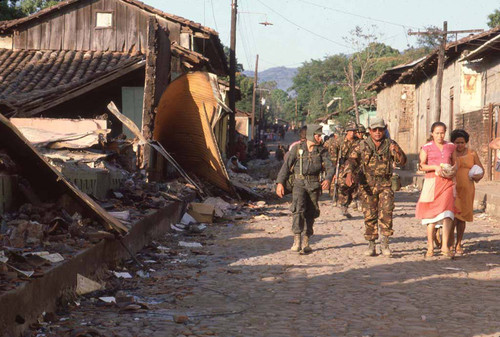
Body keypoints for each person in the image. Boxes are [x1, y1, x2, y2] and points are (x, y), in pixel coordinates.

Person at [345, 117, 407, 256]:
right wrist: (349, 173)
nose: (378, 132)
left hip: (385, 184)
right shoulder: (362, 145)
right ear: (369, 131)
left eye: (381, 129)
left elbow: (402, 162)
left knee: (386, 212)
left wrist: (396, 151)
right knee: (369, 215)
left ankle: (384, 243)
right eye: (375, 130)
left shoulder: (390, 144)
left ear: (385, 130)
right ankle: (371, 244)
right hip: (367, 184)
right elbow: (352, 160)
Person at [276, 125, 334, 254]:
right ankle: (297, 240)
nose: (320, 137)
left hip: (314, 183)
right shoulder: (297, 149)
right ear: (311, 136)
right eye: (318, 135)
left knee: (311, 212)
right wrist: (280, 183)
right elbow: (286, 166)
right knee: (298, 210)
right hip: (299, 182)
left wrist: (328, 179)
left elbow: (330, 167)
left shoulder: (322, 151)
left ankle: (306, 240)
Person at [415, 122, 456, 258]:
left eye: (442, 132)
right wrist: (435, 167)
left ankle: (445, 246)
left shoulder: (450, 146)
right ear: (432, 133)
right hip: (432, 182)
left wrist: (451, 170)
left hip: (447, 183)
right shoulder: (426, 147)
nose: (440, 135)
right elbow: (422, 166)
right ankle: (430, 246)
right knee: (431, 215)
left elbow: (455, 163)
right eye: (437, 133)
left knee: (448, 213)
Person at [451, 129, 484, 256]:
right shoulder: (450, 153)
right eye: (456, 142)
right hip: (453, 188)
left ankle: (458, 243)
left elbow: (481, 170)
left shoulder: (472, 153)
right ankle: (449, 242)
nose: (459, 145)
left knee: (462, 218)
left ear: (466, 142)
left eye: (462, 142)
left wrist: (477, 177)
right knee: (452, 217)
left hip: (467, 190)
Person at [329, 122, 359, 218]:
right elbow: (333, 153)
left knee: (354, 186)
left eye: (354, 131)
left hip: (354, 167)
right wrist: (334, 168)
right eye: (351, 131)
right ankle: (344, 205)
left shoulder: (358, 142)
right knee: (343, 186)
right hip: (341, 166)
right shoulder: (340, 141)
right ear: (347, 131)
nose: (352, 133)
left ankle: (352, 201)